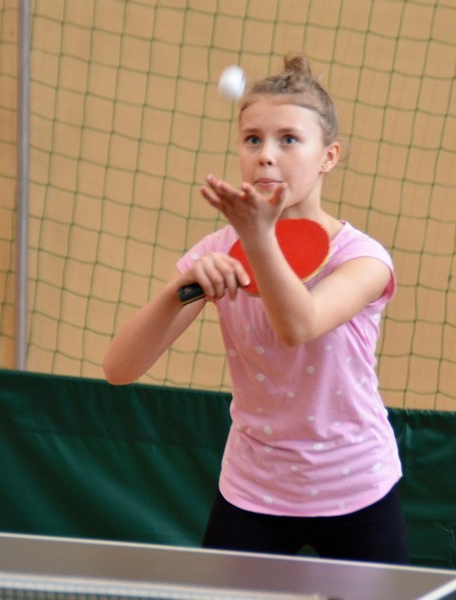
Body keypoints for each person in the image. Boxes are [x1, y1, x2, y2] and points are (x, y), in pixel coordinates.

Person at [103, 52, 408, 564]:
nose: (266, 155)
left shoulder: (361, 258)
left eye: (288, 139)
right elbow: (120, 368)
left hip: (355, 486)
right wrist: (181, 288)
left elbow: (299, 325)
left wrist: (256, 237)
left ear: (328, 156)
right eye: (252, 139)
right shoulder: (217, 251)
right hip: (253, 489)